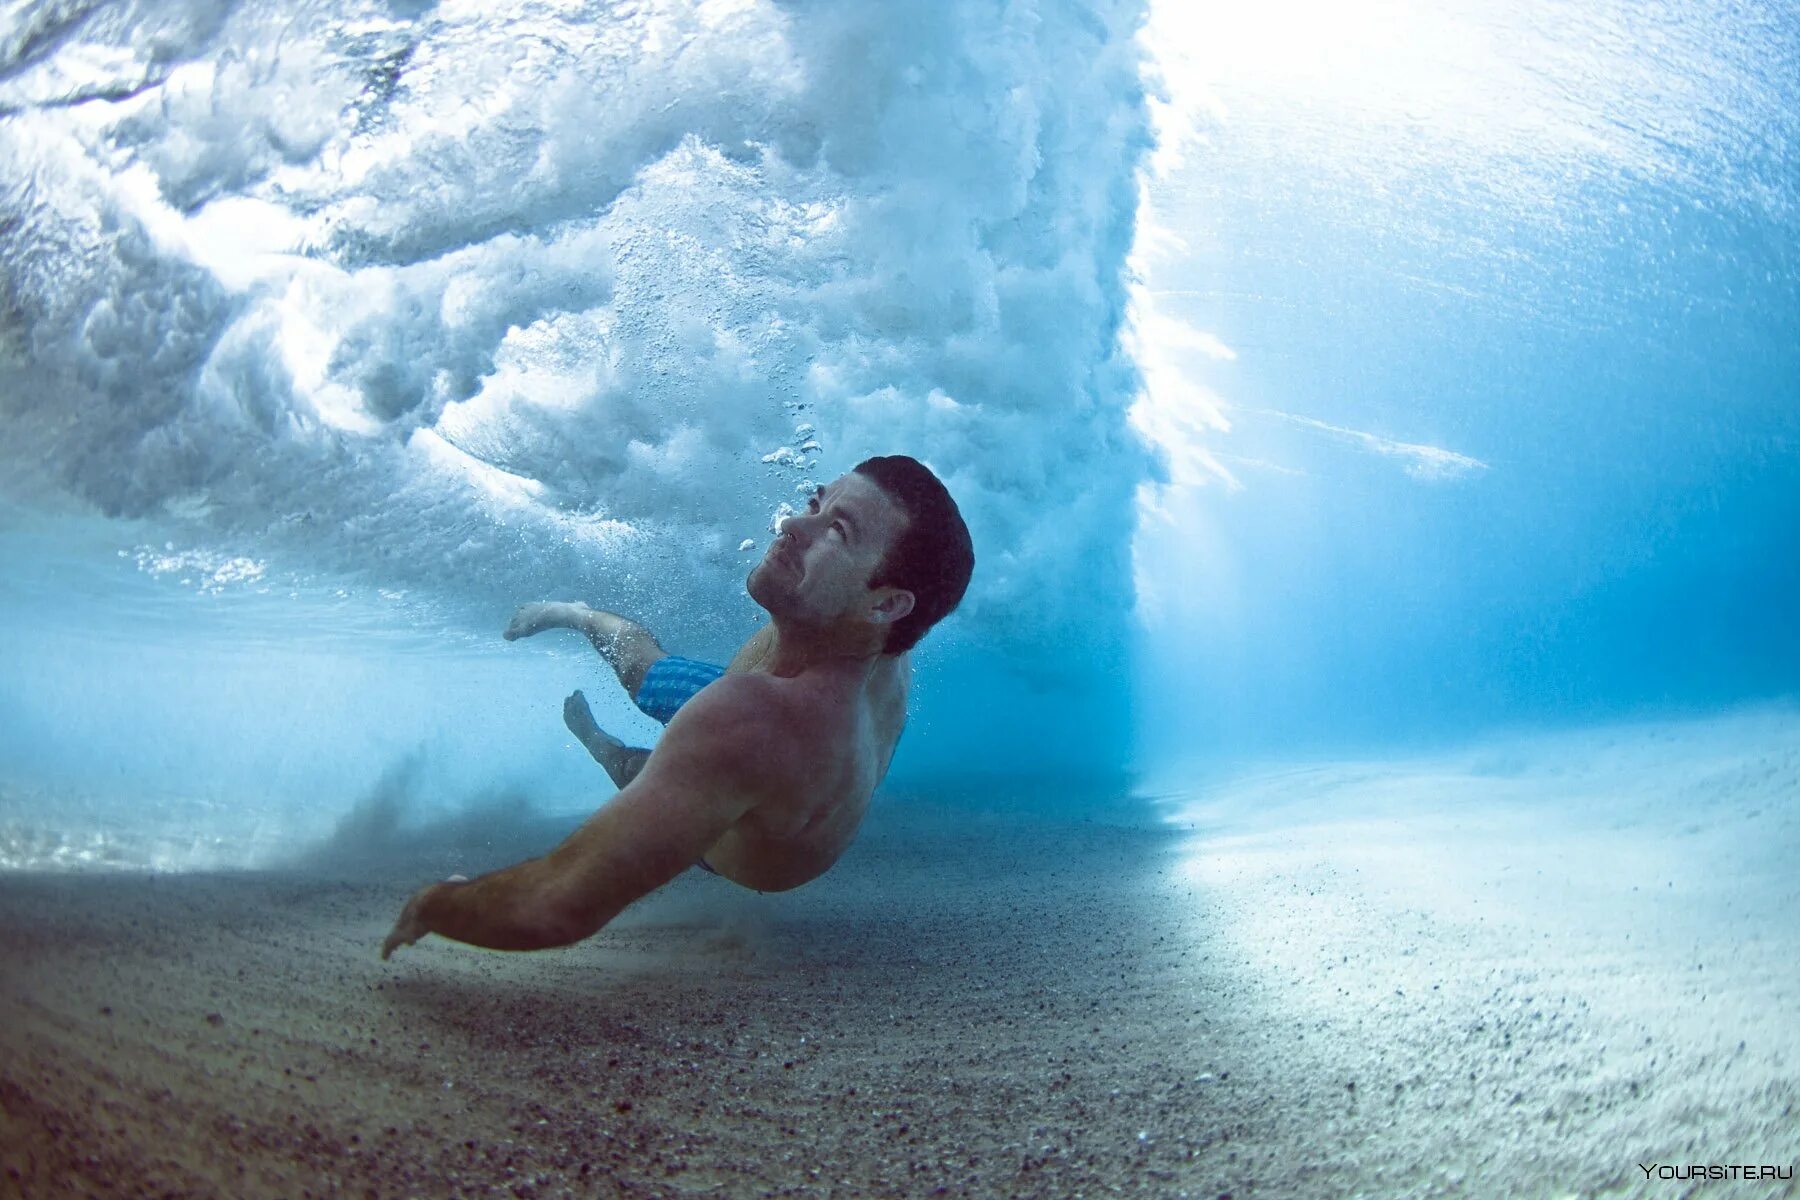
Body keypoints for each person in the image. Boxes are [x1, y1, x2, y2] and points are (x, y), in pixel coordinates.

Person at [382, 455, 974, 957]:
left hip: (746, 823)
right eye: (814, 504)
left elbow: (553, 907)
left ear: (887, 603)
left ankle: (598, 740)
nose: (793, 523)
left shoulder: (755, 725)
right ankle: (579, 614)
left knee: (635, 763)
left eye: (837, 531)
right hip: (773, 734)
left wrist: (441, 904)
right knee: (651, 675)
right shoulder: (889, 641)